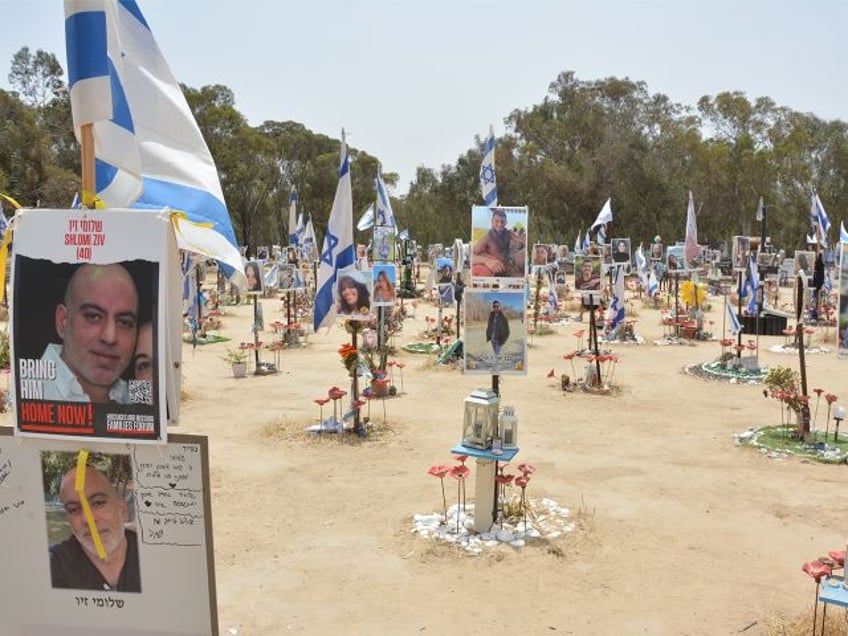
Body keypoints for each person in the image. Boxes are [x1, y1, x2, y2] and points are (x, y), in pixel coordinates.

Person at [40, 263, 139, 404]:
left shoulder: (131, 393)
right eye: (93, 316)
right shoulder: (33, 390)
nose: (110, 337)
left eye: (124, 322)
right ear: (63, 321)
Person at [49, 465, 141, 592]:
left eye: (98, 503)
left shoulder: (153, 556)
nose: (87, 519)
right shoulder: (54, 567)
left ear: (122, 510)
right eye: (74, 509)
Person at [472, 208, 525, 278]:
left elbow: (522, 240)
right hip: (494, 270)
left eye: (502, 222)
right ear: (492, 221)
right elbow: (472, 256)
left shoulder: (508, 233)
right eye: (496, 221)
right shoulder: (487, 237)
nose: (499, 224)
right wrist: (486, 261)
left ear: (506, 222)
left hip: (507, 267)